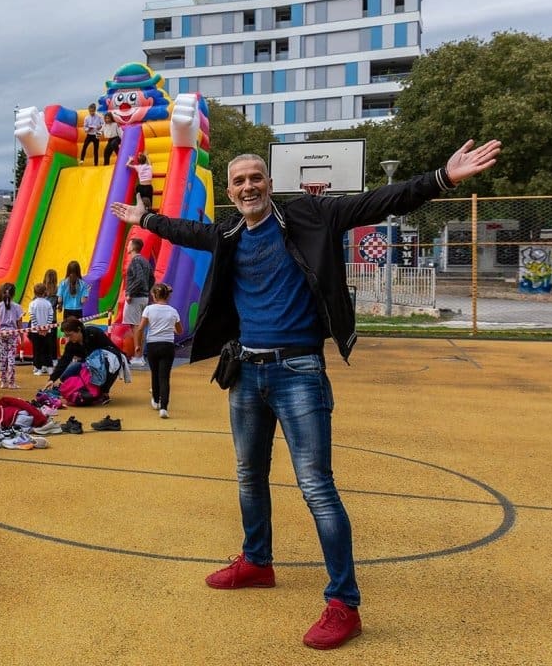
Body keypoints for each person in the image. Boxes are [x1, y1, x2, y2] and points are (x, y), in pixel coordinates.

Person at [109, 138, 502, 650]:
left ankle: (344, 603)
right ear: (230, 192)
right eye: (239, 181)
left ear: (270, 184)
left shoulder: (309, 217)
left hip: (299, 372)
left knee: (317, 487)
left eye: (256, 178)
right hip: (246, 372)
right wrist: (145, 218)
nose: (248, 186)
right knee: (249, 475)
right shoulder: (228, 231)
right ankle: (257, 562)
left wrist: (441, 179)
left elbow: (379, 202)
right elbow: (187, 231)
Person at [44, 317, 129, 398]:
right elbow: (63, 361)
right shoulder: (71, 345)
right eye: (66, 335)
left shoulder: (94, 333)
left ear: (78, 329)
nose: (68, 338)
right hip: (86, 364)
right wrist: (52, 379)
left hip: (105, 361)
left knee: (109, 364)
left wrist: (105, 390)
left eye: (70, 335)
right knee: (64, 377)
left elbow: (112, 353)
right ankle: (81, 388)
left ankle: (102, 391)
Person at [134, 283, 181, 419]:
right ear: (167, 296)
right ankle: (164, 408)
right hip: (167, 345)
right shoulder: (173, 311)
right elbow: (179, 330)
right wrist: (172, 329)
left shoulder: (149, 309)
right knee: (165, 377)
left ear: (154, 296)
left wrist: (138, 345)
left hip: (153, 344)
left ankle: (155, 400)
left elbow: (141, 328)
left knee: (154, 373)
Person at [0, 282, 23, 389]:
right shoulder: (17, 307)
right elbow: (19, 322)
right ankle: (11, 382)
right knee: (11, 357)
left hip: (1, 333)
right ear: (14, 294)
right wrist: (22, 336)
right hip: (12, 333)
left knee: (3, 356)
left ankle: (3, 381)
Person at [122, 238, 154, 333]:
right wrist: (146, 290)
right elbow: (152, 278)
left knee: (135, 325)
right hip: (144, 297)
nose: (127, 246)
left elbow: (139, 279)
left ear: (132, 247)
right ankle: (140, 346)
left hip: (135, 298)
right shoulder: (145, 261)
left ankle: (137, 347)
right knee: (140, 325)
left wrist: (129, 293)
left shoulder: (135, 261)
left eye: (128, 244)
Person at [27, 282, 56, 376]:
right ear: (45, 292)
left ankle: (38, 368)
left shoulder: (32, 304)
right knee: (47, 349)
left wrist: (38, 329)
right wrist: (47, 328)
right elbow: (51, 316)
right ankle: (50, 368)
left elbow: (32, 317)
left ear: (34, 293)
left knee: (37, 350)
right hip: (47, 331)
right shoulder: (48, 303)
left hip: (36, 331)